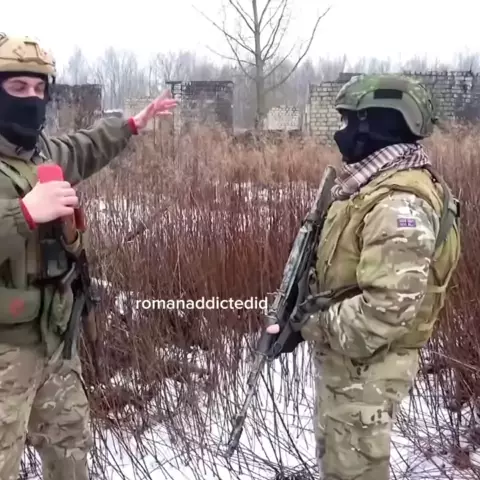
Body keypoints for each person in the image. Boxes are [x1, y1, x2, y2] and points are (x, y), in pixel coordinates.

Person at [0, 33, 177, 480]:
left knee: (70, 452)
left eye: (39, 89)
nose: (31, 99)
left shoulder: (40, 154)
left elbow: (84, 146)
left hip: (55, 342)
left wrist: (131, 125)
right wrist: (24, 214)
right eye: (17, 88)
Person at [267, 74, 461, 479]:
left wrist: (307, 325)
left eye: (349, 121)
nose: (341, 133)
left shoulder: (398, 203)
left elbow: (385, 311)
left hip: (367, 373)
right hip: (351, 369)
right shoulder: (369, 186)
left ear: (379, 125)